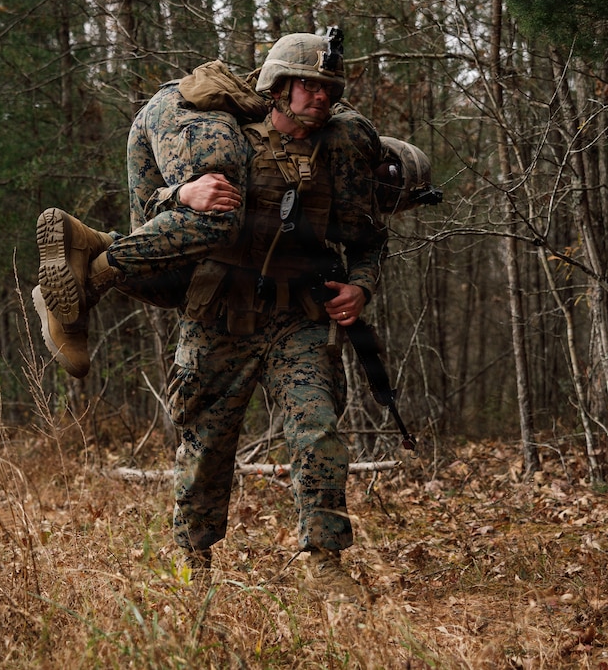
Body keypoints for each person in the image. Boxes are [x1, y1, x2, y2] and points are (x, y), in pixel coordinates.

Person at [34, 30, 390, 602]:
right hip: (219, 314)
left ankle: (324, 565)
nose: (320, 95)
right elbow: (154, 210)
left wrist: (362, 287)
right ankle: (193, 566)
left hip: (296, 316)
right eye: (307, 84)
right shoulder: (223, 139)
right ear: (277, 86)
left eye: (328, 86)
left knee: (317, 429)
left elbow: (370, 237)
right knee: (205, 446)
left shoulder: (341, 154)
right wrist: (182, 196)